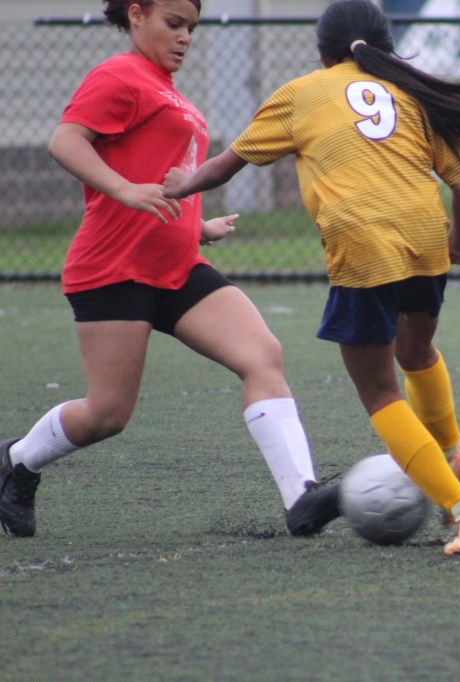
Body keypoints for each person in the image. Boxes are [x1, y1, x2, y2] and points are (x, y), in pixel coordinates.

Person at [164, 0, 460, 554]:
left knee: (379, 392)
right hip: (425, 234)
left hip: (362, 240)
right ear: (383, 48)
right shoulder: (411, 92)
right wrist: (459, 242)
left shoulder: (301, 93)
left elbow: (226, 165)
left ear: (323, 53)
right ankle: (454, 451)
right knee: (416, 352)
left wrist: (182, 185)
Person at [0, 0, 342, 540]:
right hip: (114, 268)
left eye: (192, 28)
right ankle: (17, 460)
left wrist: (196, 227)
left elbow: (159, 178)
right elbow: (64, 141)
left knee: (262, 356)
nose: (185, 37)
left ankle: (302, 498)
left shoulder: (174, 95)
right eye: (174, 23)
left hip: (178, 268)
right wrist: (123, 189)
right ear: (137, 15)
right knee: (108, 415)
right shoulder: (119, 75)